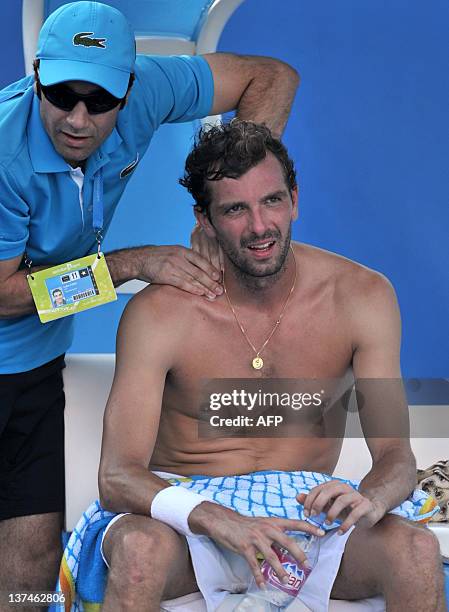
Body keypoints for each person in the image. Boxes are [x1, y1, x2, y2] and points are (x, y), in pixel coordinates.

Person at [69, 120, 445, 612]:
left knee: (416, 552)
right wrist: (215, 517)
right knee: (138, 552)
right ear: (204, 219)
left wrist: (371, 499)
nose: (259, 226)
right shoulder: (161, 313)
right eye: (234, 210)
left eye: (271, 201)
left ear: (294, 198)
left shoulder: (361, 297)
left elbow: (396, 457)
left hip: (309, 520)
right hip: (187, 519)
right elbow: (117, 477)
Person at [0, 1, 300, 599]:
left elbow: (273, 77)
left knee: (29, 582)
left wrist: (227, 199)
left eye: (101, 101)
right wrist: (131, 265)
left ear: (130, 88)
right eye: (60, 95)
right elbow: (4, 298)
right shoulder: (5, 153)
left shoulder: (152, 89)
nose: (78, 119)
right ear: (35, 75)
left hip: (32, 366)